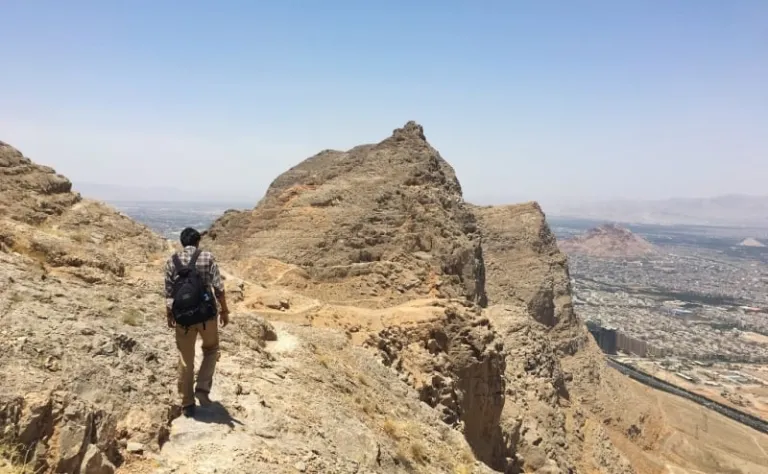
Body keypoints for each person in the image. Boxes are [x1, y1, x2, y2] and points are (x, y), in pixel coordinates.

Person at [164, 227, 230, 417]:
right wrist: (224, 310)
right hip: (206, 316)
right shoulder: (207, 257)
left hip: (183, 318)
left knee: (186, 359)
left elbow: (169, 293)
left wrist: (170, 315)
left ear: (182, 242)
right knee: (211, 349)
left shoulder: (172, 261)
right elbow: (218, 288)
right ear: (197, 241)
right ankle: (202, 388)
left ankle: (187, 403)